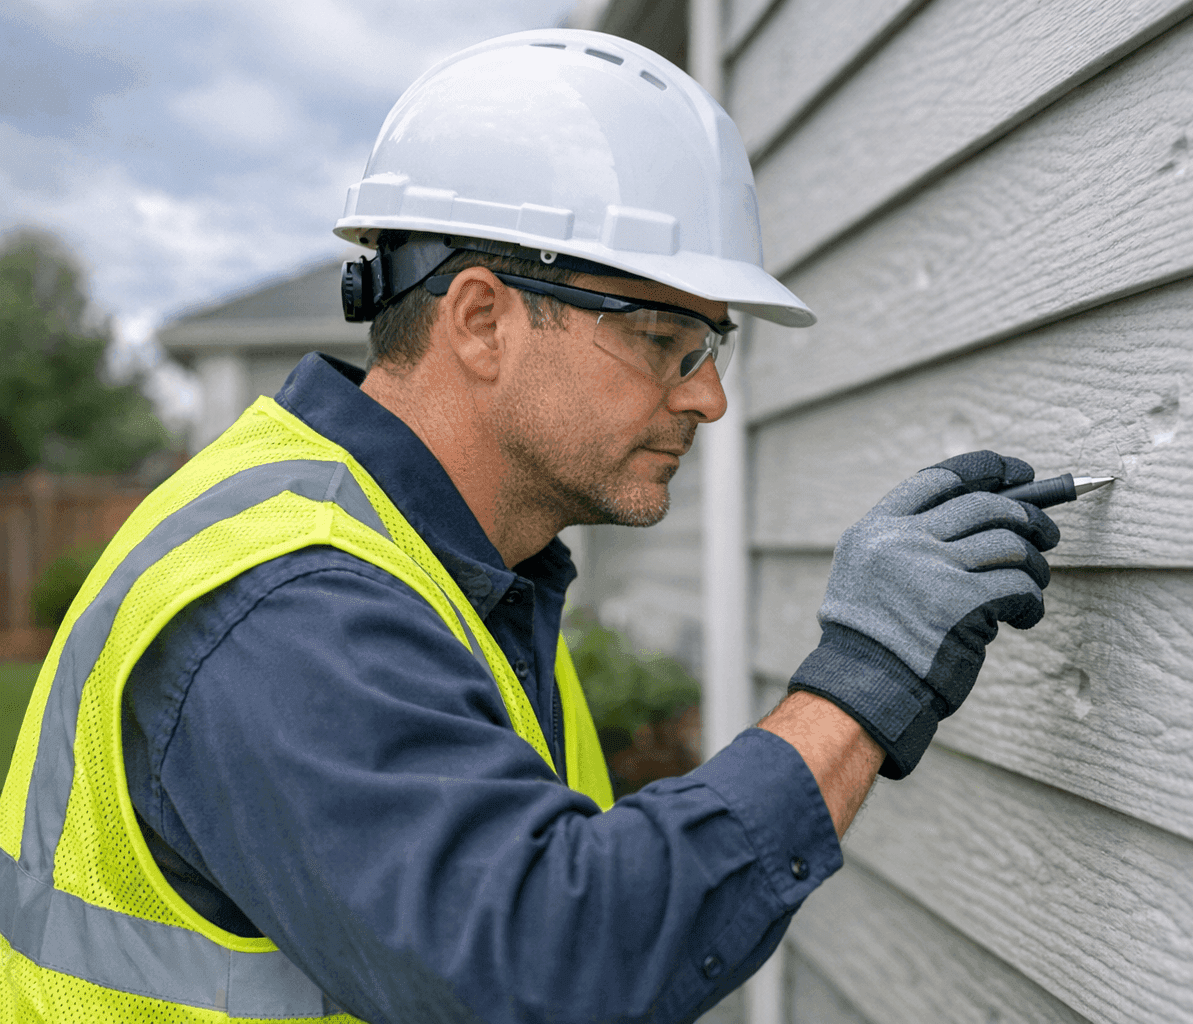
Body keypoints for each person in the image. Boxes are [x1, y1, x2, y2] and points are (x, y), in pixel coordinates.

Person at [0, 29, 1058, 1024]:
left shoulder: (459, 575)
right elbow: (547, 958)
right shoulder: (289, 600)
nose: (708, 400)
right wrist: (862, 683)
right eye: (662, 339)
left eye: (712, 347)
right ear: (479, 320)